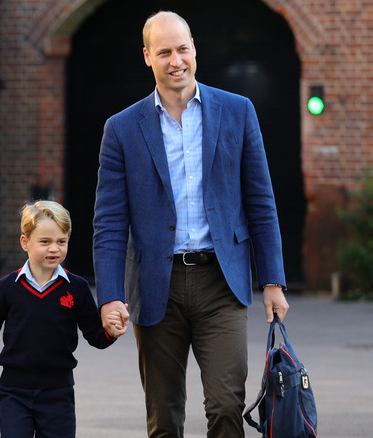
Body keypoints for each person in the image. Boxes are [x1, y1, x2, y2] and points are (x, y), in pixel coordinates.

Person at [93, 10, 291, 438]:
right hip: (153, 284)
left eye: (182, 49)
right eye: (164, 52)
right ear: (148, 57)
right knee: (164, 418)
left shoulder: (237, 112)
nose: (175, 60)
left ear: (194, 49)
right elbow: (108, 223)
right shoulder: (122, 129)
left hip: (222, 282)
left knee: (225, 407)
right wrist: (109, 296)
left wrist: (272, 278)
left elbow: (261, 201)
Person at [0, 200, 126, 437]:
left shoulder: (77, 287)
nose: (54, 248)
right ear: (25, 242)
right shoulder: (7, 288)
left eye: (61, 242)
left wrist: (111, 332)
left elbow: (96, 336)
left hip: (59, 394)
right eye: (45, 242)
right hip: (14, 393)